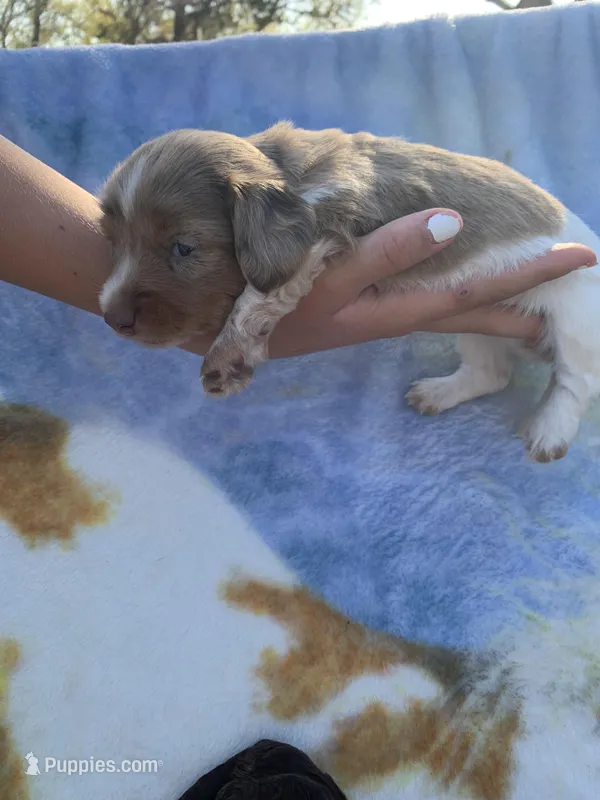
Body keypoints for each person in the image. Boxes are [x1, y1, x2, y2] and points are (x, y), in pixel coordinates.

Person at [0, 134, 596, 360]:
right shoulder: (260, 196)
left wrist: (253, 321)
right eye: (114, 239)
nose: (112, 302)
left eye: (181, 248)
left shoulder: (302, 199)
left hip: (559, 261)